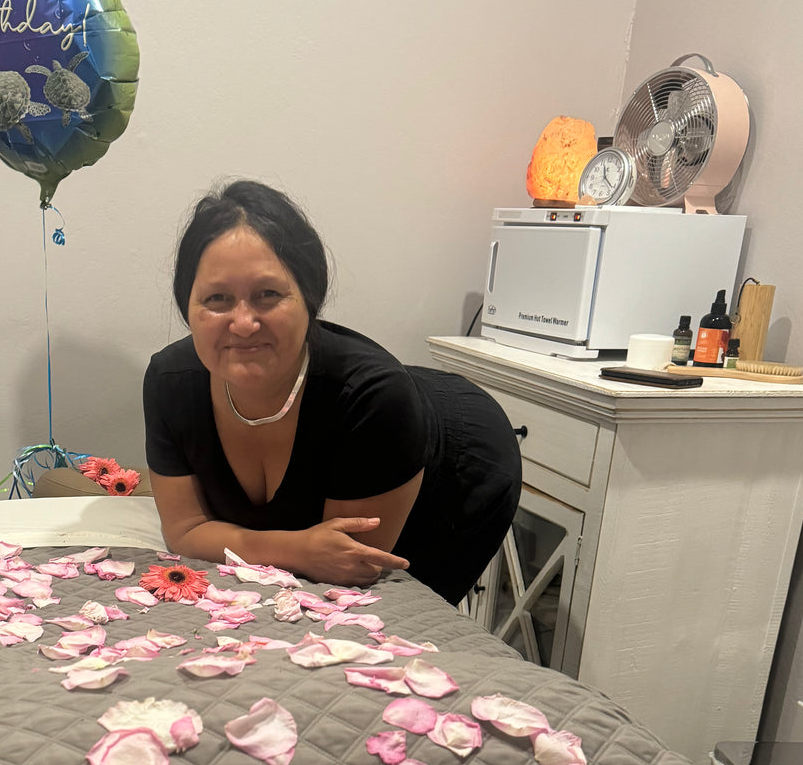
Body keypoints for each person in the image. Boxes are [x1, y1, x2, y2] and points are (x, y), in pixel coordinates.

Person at [143, 180, 521, 599]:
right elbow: (186, 531)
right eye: (217, 298)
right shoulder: (169, 383)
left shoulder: (375, 399)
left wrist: (287, 549)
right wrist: (296, 549)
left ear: (309, 299)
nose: (244, 323)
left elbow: (349, 562)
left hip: (456, 463)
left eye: (268, 294)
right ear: (188, 307)